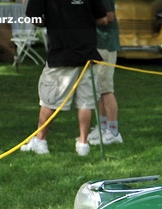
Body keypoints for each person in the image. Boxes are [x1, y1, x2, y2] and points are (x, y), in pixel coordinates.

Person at [20, 0, 109, 156]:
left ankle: (40, 141)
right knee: (86, 102)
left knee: (50, 100)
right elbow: (102, 18)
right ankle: (83, 144)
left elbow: (34, 18)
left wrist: (52, 21)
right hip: (87, 53)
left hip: (62, 54)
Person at [88, 0, 122, 146]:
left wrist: (82, 20)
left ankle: (114, 132)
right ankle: (103, 127)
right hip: (97, 44)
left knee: (106, 89)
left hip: (105, 45)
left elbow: (108, 17)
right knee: (98, 88)